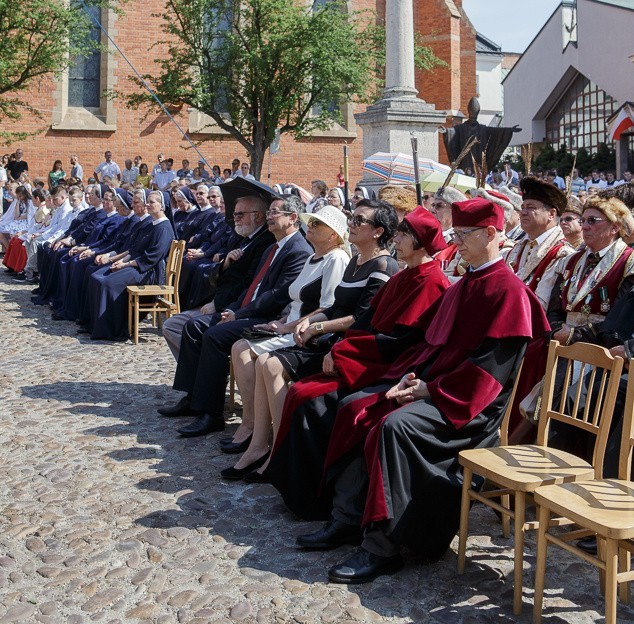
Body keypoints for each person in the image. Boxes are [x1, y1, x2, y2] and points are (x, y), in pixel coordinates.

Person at [296, 199, 549, 585]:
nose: (455, 242)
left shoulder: (509, 292)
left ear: (492, 234)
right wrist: (409, 380)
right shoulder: (467, 283)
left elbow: (490, 375)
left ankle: (383, 547)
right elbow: (433, 347)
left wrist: (429, 390)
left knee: (394, 426)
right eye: (457, 234)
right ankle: (347, 518)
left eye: (464, 235)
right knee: (357, 406)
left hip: (469, 408)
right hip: (439, 388)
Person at [267, 205, 449, 520]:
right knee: (299, 392)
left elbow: (401, 342)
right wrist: (340, 347)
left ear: (420, 243)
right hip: (370, 357)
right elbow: (368, 319)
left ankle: (318, 499)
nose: (398, 239)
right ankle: (299, 493)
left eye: (405, 234)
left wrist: (342, 353)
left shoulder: (431, 281)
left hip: (391, 367)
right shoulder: (405, 274)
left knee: (312, 399)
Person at [160, 195, 310, 436]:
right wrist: (233, 309)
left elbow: (275, 297)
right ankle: (193, 397)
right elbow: (254, 286)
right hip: (248, 309)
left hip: (271, 318)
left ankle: (212, 413)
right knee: (194, 327)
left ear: (293, 218)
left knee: (214, 334)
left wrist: (237, 313)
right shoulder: (275, 245)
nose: (269, 217)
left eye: (274, 213)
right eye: (269, 212)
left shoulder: (297, 250)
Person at [221, 204, 351, 479]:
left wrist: (285, 326)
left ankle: (269, 442)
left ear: (334, 235)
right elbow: (296, 299)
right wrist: (281, 323)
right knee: (240, 347)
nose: (311, 227)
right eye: (311, 222)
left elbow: (327, 306)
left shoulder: (336, 259)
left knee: (256, 358)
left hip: (304, 331)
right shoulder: (313, 257)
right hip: (287, 324)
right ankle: (254, 431)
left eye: (318, 224)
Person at [547, 194, 634, 346]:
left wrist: (574, 335)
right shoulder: (569, 261)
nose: (584, 226)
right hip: (561, 346)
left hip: (601, 350)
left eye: (592, 220)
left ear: (614, 227)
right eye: (583, 220)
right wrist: (556, 329)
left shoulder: (632, 262)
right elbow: (554, 309)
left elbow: (619, 318)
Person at [81, 190, 173, 340]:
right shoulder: (152, 224)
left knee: (108, 283)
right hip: (138, 266)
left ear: (162, 206)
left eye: (152, 202)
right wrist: (122, 261)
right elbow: (136, 249)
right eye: (147, 201)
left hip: (148, 272)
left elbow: (151, 257)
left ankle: (113, 329)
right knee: (97, 276)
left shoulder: (163, 228)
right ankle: (94, 325)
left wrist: (125, 265)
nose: (148, 205)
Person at [503, 176, 572, 307]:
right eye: (522, 207)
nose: (523, 212)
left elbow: (544, 304)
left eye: (530, 207)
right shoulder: (516, 248)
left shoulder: (564, 254)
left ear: (551, 214)